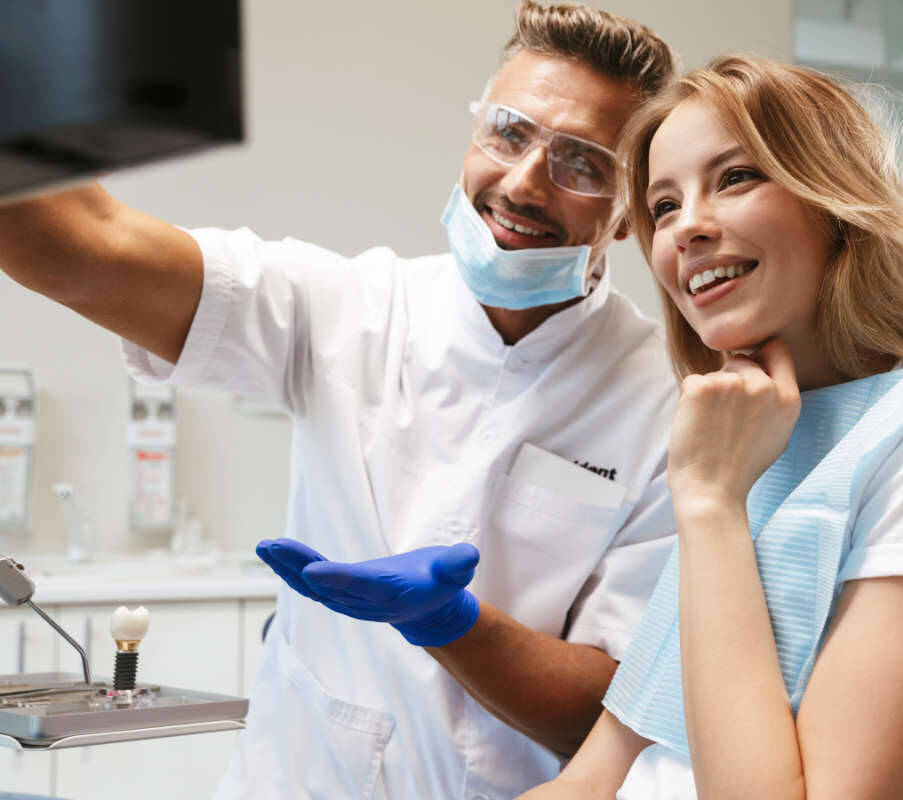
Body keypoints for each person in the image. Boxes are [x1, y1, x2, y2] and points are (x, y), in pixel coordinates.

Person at [0, 4, 682, 798]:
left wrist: (453, 624)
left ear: (630, 210)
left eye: (581, 163)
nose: (526, 180)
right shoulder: (346, 306)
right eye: (508, 132)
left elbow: (610, 713)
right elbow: (77, 245)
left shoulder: (662, 406)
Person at [519, 55, 903, 800]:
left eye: (734, 178)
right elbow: (596, 779)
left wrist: (708, 506)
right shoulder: (756, 445)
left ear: (835, 204)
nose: (686, 227)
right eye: (664, 206)